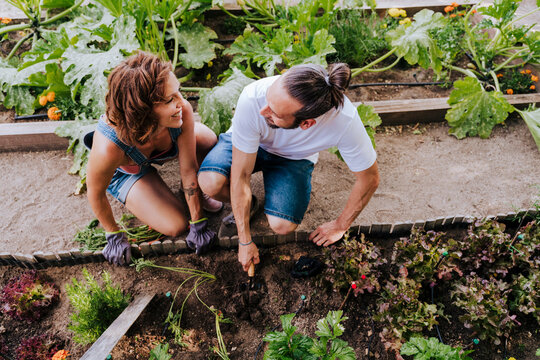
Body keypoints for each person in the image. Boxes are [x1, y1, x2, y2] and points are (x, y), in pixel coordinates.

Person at [198, 63, 380, 272]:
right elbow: (241, 175)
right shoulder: (253, 97)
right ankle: (252, 204)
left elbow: (370, 178)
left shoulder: (345, 122)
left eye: (273, 112)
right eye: (268, 100)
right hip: (250, 144)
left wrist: (341, 225)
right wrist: (245, 241)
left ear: (306, 124)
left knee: (282, 226)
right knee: (209, 183)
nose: (262, 110)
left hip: (293, 158)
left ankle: (264, 192)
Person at [85, 52, 222, 265]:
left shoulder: (181, 110)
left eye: (179, 92)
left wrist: (198, 220)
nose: (182, 102)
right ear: (144, 110)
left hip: (160, 144)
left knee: (207, 139)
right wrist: (113, 234)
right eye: (170, 99)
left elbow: (188, 170)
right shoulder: (109, 146)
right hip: (126, 170)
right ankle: (142, 185)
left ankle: (198, 195)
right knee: (175, 225)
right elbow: (95, 192)